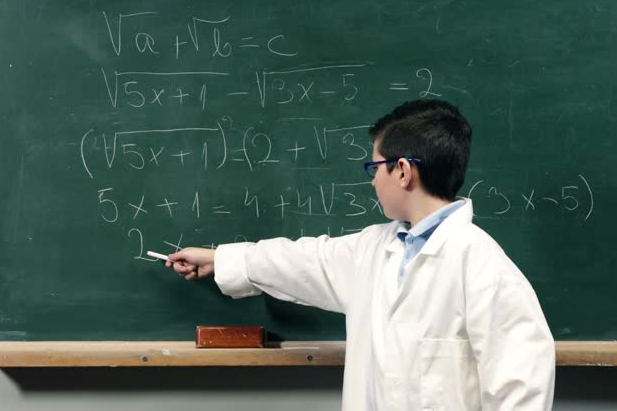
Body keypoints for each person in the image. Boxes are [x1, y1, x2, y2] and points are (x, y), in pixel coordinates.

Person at [166, 99, 555, 410]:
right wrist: (221, 259)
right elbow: (301, 262)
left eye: (375, 167)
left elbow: (522, 386)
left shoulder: (482, 264)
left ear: (403, 171)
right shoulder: (373, 249)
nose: (372, 180)